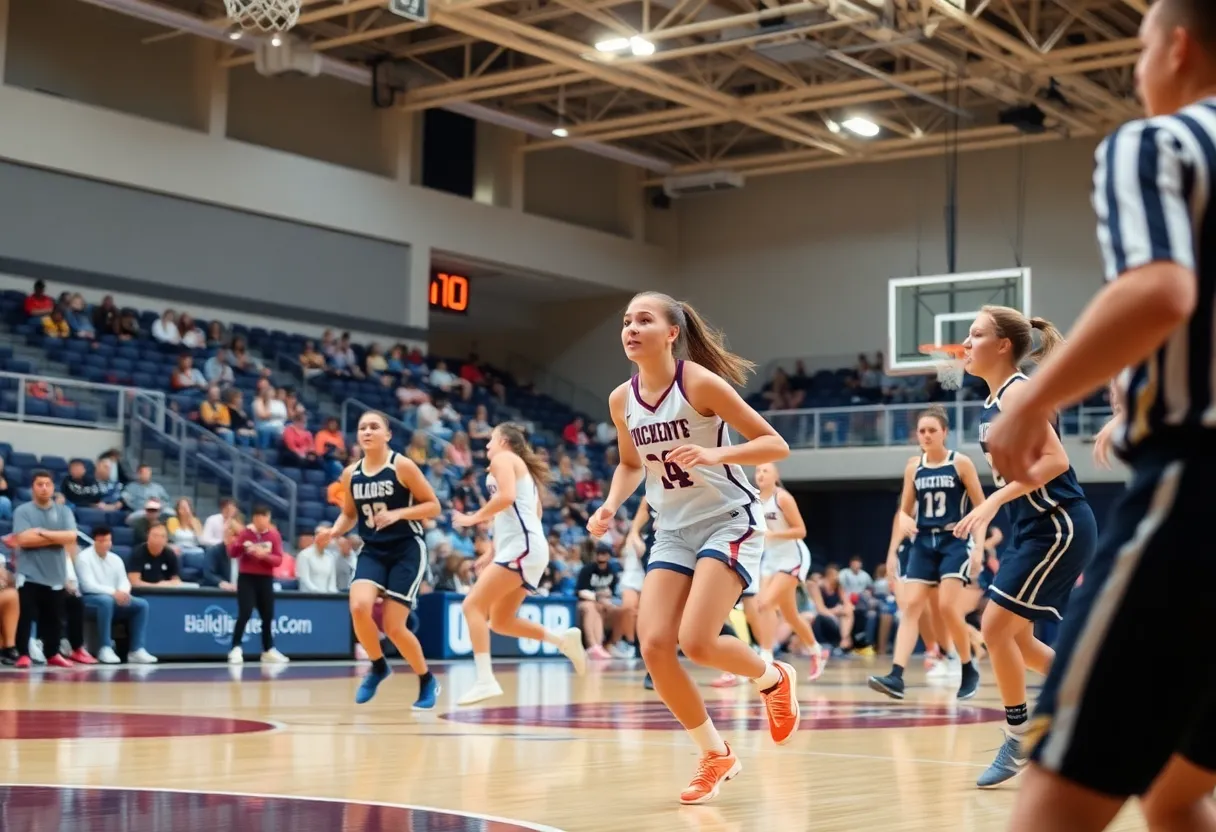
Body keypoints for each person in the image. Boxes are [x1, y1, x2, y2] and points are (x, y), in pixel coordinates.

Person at [988, 2, 1216, 827]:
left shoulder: (1159, 140)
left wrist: (1038, 402)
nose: (1136, 69)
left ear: (1179, 48)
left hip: (1197, 495)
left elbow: (1159, 288)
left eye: (1142, 47)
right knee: (1175, 791)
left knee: (1052, 805)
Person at [585, 291, 796, 805]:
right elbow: (632, 463)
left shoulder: (698, 382)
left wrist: (713, 450)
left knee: (698, 642)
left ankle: (773, 677)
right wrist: (612, 504)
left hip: (728, 519)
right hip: (673, 528)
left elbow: (775, 444)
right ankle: (715, 753)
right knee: (654, 645)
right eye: (627, 321)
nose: (631, 328)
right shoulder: (622, 399)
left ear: (672, 333)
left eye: (644, 320)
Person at [949, 305, 1097, 789]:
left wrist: (993, 500)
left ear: (1004, 345)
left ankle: (1019, 737)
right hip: (1033, 528)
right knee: (1018, 640)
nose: (966, 344)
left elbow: (1055, 460)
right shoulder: (992, 402)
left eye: (976, 334)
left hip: (1059, 522)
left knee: (994, 626)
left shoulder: (1018, 392)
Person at [451, 422, 586, 705]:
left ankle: (485, 680)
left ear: (504, 441)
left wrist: (473, 517)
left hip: (523, 548)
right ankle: (563, 641)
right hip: (527, 547)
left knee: (472, 606)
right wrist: (492, 551)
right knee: (500, 621)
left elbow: (506, 499)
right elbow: (525, 513)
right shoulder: (520, 471)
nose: (486, 445)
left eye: (491, 439)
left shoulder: (503, 459)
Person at [315, 411, 442, 709]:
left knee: (395, 626)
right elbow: (350, 514)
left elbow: (433, 506)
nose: (367, 431)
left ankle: (426, 680)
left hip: (406, 549)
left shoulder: (402, 466)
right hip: (373, 549)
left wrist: (398, 513)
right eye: (362, 427)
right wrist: (333, 531)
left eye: (374, 427)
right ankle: (378, 665)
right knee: (358, 606)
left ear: (388, 435)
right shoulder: (350, 474)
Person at [869, 405, 988, 701]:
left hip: (954, 540)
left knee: (947, 607)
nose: (926, 435)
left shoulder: (960, 463)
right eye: (922, 431)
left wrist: (979, 548)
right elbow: (904, 512)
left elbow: (982, 507)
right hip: (922, 543)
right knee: (911, 607)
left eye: (932, 430)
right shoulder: (914, 467)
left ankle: (966, 666)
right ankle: (896, 676)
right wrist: (893, 553)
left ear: (945, 433)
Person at [753, 462, 825, 681]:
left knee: (765, 603)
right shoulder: (754, 500)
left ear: (776, 475)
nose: (761, 474)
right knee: (789, 614)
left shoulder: (782, 498)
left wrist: (773, 536)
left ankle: (766, 658)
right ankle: (816, 651)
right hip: (771, 559)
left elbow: (800, 530)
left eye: (766, 470)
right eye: (757, 471)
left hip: (792, 557)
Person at [8, 470, 78, 669]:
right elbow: (23, 539)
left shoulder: (64, 511)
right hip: (29, 574)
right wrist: (56, 537)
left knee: (54, 618)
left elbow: (71, 537)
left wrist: (41, 532)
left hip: (55, 573)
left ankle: (53, 653)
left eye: (47, 484)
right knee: (25, 616)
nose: (44, 488)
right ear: (33, 487)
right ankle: (23, 654)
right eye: (40, 484)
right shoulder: (23, 511)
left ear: (53, 487)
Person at [76, 527, 157, 664]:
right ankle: (105, 648)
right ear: (94, 541)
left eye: (108, 540)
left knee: (141, 604)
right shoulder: (83, 558)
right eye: (101, 540)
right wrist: (114, 593)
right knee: (105, 601)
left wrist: (123, 593)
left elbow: (124, 581)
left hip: (113, 598)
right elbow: (87, 586)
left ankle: (136, 650)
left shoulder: (116, 559)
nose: (105, 544)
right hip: (89, 600)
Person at [227, 506, 289, 665]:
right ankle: (235, 648)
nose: (260, 521)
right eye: (257, 518)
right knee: (245, 612)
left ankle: (268, 649)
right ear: (253, 519)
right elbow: (233, 553)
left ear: (268, 518)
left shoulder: (274, 535)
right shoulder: (245, 533)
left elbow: (278, 560)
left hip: (266, 579)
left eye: (263, 517)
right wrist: (243, 546)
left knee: (267, 615)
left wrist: (264, 556)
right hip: (247, 577)